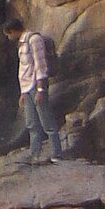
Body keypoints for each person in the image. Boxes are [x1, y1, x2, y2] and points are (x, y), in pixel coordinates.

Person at [13, 20, 62, 162]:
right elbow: (23, 69)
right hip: (27, 87)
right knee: (31, 122)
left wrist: (40, 89)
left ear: (13, 31)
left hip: (36, 85)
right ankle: (35, 153)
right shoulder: (21, 43)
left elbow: (40, 65)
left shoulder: (34, 39)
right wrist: (23, 92)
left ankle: (56, 153)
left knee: (46, 119)